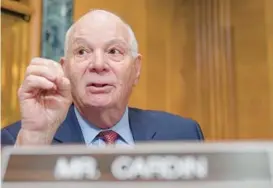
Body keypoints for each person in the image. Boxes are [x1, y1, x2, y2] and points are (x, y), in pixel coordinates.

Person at [1, 9, 204, 147]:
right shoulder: (18, 141)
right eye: (82, 52)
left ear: (136, 68)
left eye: (114, 51)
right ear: (65, 69)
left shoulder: (182, 135)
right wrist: (36, 139)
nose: (98, 64)